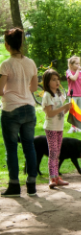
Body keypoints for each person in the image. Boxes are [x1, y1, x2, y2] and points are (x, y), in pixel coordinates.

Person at [0, 28, 39, 198]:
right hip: (29, 107)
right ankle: (31, 185)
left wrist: (10, 91)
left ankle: (14, 185)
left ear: (7, 45)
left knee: (12, 148)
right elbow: (33, 88)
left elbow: (0, 90)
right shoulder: (31, 63)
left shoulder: (6, 64)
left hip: (11, 109)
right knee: (29, 146)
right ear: (21, 43)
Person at [42, 69, 72, 189]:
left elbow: (62, 112)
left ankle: (57, 177)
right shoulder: (47, 95)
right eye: (53, 80)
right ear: (47, 82)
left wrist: (68, 108)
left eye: (58, 79)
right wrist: (63, 107)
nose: (57, 81)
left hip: (59, 127)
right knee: (53, 152)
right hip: (51, 128)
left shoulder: (60, 94)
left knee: (57, 152)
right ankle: (52, 177)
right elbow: (49, 113)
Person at [66, 56, 81, 133]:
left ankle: (78, 127)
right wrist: (78, 71)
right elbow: (73, 78)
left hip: (80, 95)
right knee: (73, 111)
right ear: (71, 65)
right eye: (76, 64)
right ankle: (72, 127)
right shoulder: (68, 72)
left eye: (79, 63)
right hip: (72, 95)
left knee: (79, 111)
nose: (78, 65)